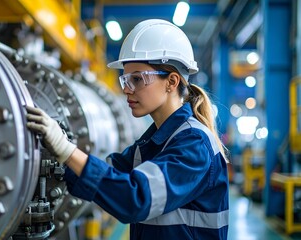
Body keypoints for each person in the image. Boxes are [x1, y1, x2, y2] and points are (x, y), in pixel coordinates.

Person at [26, 19, 229, 240]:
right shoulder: (151, 143)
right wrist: (49, 156)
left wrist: (67, 150)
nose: (126, 89)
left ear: (171, 81)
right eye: (125, 79)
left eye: (137, 79)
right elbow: (106, 176)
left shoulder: (194, 144)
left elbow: (134, 198)